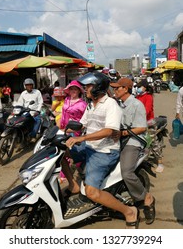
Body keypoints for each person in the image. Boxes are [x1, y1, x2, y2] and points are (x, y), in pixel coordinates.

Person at [63, 71, 140, 229]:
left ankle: (129, 211)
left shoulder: (111, 105)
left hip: (104, 152)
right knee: (60, 152)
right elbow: (82, 124)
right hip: (89, 146)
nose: (85, 90)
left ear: (98, 87)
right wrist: (64, 131)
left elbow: (109, 131)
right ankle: (74, 185)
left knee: (92, 192)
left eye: (88, 86)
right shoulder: (91, 105)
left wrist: (81, 138)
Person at [110, 77, 155, 225]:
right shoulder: (118, 104)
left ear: (125, 89)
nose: (114, 90)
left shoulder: (137, 104)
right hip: (119, 139)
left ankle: (146, 197)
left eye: (117, 88)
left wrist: (122, 133)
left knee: (127, 172)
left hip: (134, 140)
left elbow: (141, 127)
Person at [17, 78, 43, 143]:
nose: (29, 86)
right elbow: (20, 103)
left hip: (34, 112)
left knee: (38, 121)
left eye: (30, 85)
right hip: (25, 112)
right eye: (27, 85)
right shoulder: (23, 93)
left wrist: (38, 111)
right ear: (24, 86)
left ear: (33, 85)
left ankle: (33, 136)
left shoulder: (37, 92)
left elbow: (40, 102)